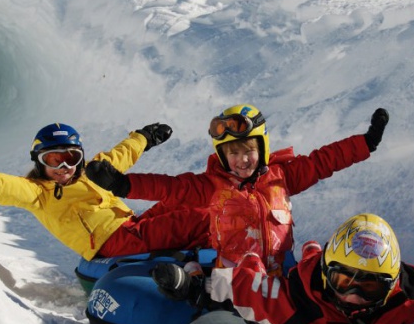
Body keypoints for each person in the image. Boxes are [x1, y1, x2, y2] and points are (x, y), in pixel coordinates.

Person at [86, 104, 387, 275]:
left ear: (263, 148)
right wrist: (124, 184)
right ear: (222, 156)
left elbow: (323, 161)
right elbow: (170, 188)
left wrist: (364, 143)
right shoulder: (212, 187)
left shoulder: (283, 177)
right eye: (233, 153)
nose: (241, 160)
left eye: (248, 151)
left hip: (278, 276)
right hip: (234, 280)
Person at [153, 213, 414, 324]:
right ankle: (307, 255)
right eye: (343, 279)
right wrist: (192, 285)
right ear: (327, 274)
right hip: (299, 282)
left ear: (391, 284)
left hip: (323, 265)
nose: (353, 295)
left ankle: (313, 250)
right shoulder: (293, 305)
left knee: (314, 255)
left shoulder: (408, 292)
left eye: (370, 286)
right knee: (252, 263)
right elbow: (243, 287)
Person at [0, 123, 210, 261]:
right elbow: (7, 187)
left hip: (131, 226)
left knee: (188, 203)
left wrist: (145, 136)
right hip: (112, 243)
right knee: (196, 221)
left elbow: (121, 155)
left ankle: (239, 232)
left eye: (71, 158)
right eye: (53, 160)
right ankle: (225, 253)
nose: (63, 167)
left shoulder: (89, 173)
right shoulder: (40, 193)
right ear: (39, 162)